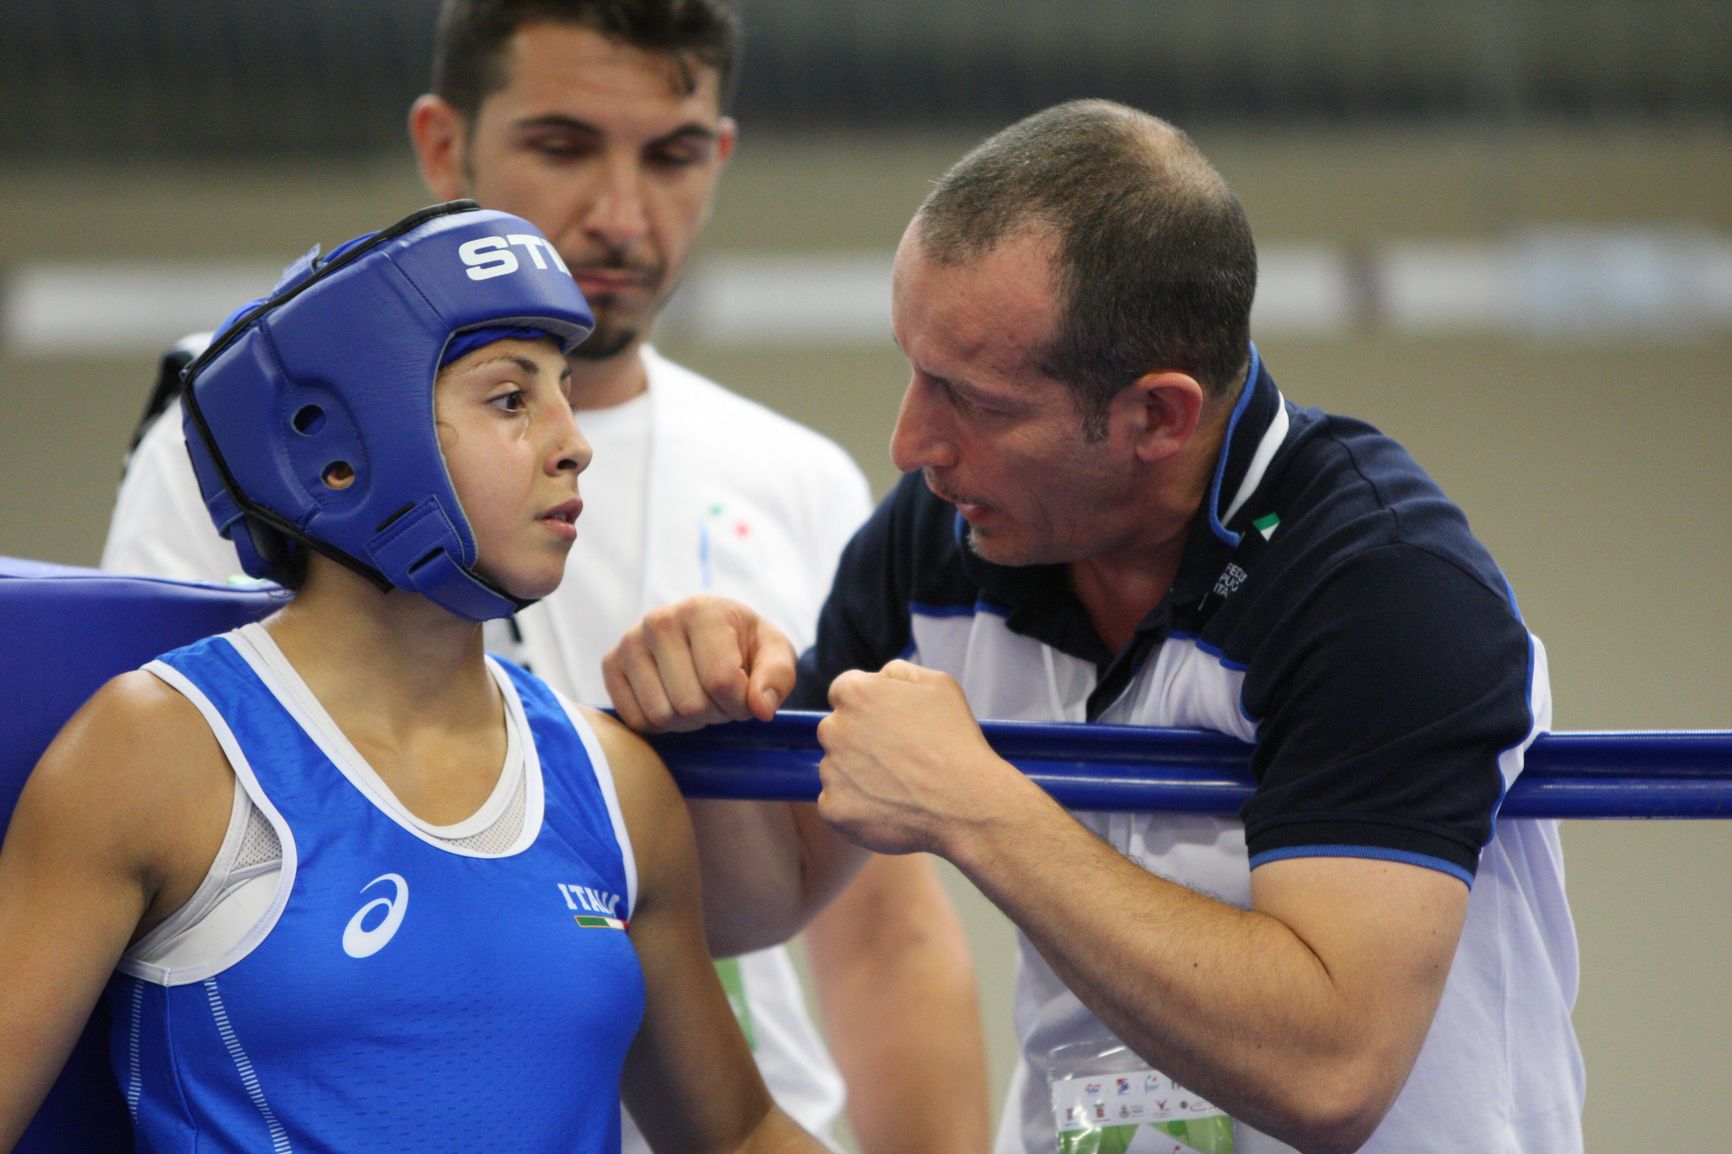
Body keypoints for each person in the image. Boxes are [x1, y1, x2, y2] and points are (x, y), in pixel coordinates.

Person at [603, 100, 1585, 1154]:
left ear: (1156, 416)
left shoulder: (1383, 588)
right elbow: (766, 894)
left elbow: (1330, 1068)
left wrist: (979, 806)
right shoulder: (942, 537)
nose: (908, 441)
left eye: (969, 397)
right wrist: (710, 723)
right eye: (910, 365)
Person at [98, 3, 989, 1151]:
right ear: (442, 145)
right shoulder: (249, 457)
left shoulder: (799, 479)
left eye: (668, 154)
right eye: (562, 146)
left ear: (717, 155)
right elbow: (154, 871)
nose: (618, 213)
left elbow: (884, 930)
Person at [0, 203, 839, 1153]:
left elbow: (737, 1135)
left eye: (564, 390)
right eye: (512, 399)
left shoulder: (614, 783)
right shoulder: (162, 752)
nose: (574, 442)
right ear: (337, 448)